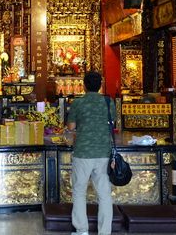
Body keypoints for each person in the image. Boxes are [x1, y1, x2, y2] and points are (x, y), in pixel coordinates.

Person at [67, 71, 114, 235]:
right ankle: (105, 232)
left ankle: (81, 230)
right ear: (100, 86)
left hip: (83, 152)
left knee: (79, 191)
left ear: (84, 86)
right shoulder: (108, 102)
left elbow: (71, 127)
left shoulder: (78, 103)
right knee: (104, 193)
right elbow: (113, 123)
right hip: (103, 151)